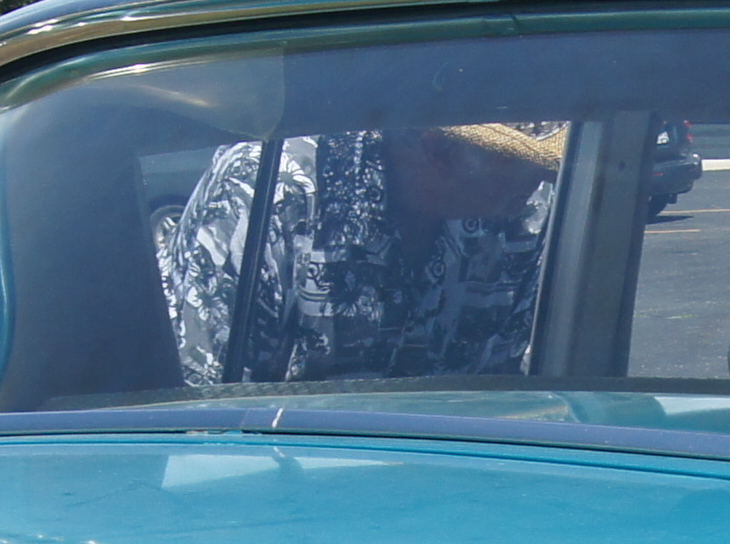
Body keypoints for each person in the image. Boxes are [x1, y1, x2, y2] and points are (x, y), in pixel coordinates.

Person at [159, 123, 563, 385]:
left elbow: (512, 388)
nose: (548, 175)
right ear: (438, 151)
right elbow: (203, 401)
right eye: (524, 161)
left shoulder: (524, 214)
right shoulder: (272, 190)